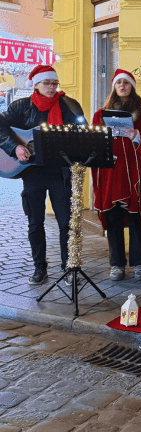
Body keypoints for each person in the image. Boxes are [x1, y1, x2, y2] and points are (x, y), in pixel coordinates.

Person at [0, 63, 85, 285]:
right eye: (47, 83)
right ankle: (40, 268)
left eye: (54, 83)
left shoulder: (69, 106)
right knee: (35, 223)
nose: (51, 87)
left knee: (66, 223)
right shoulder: (21, 107)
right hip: (32, 173)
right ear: (36, 85)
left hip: (60, 173)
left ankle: (69, 268)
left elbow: (81, 133)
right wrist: (15, 147)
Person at [92, 69, 141, 282]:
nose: (122, 86)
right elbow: (93, 142)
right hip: (111, 173)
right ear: (114, 88)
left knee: (137, 218)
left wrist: (139, 136)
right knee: (113, 218)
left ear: (132, 86)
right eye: (118, 83)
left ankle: (140, 263)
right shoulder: (101, 114)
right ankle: (116, 264)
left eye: (126, 83)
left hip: (135, 174)